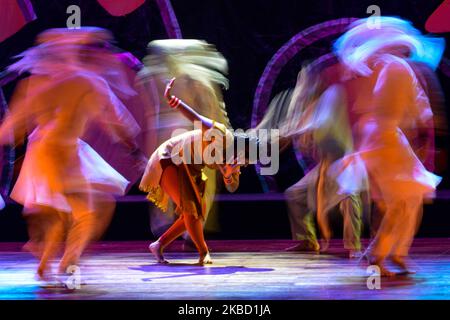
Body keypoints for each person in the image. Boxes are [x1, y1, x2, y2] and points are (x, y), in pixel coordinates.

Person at [0, 28, 144, 283]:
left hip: (47, 150)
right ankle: (67, 261)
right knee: (87, 212)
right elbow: (116, 121)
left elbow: (17, 121)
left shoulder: (42, 82)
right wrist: (133, 148)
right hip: (62, 150)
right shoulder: (86, 81)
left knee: (63, 212)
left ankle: (48, 263)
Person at [334, 17, 444, 275]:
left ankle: (394, 252)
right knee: (403, 200)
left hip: (386, 137)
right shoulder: (394, 67)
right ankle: (381, 255)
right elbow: (411, 105)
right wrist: (425, 125)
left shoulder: (384, 68)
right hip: (384, 138)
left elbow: (402, 106)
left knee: (410, 198)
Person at [140, 78, 256, 265]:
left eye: (246, 163)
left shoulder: (235, 161)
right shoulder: (221, 135)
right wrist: (171, 98)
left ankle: (158, 245)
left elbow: (233, 186)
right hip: (170, 157)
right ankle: (203, 253)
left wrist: (228, 175)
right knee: (192, 211)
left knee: (197, 211)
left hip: (189, 167)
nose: (244, 164)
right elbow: (195, 118)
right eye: (246, 159)